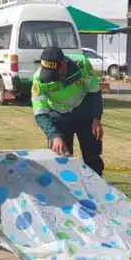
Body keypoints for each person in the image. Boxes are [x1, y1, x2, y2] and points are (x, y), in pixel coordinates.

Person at [32, 46, 104, 174]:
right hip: (59, 117)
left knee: (92, 156)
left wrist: (96, 118)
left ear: (63, 64)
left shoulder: (81, 64)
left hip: (84, 113)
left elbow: (95, 91)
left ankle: (97, 191)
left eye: (55, 74)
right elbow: (40, 113)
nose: (53, 78)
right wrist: (54, 136)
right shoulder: (38, 79)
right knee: (61, 160)